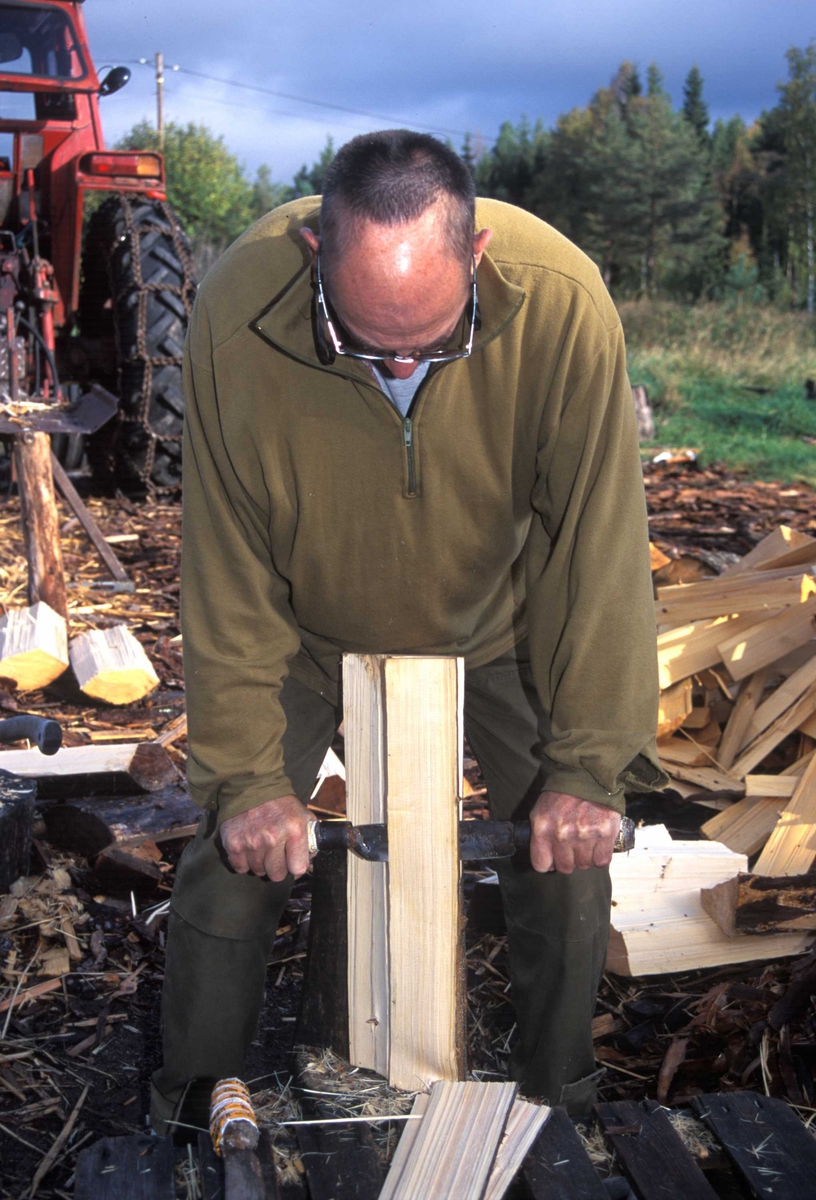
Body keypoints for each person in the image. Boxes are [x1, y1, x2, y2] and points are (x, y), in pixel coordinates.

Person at [150, 129, 665, 1135]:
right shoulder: (235, 308)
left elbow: (595, 546)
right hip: (303, 623)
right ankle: (189, 1109)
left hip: (499, 618)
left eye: (431, 340)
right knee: (228, 860)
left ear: (474, 259)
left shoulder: (561, 302)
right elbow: (227, 558)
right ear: (315, 257)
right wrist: (250, 783)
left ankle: (560, 1106)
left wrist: (590, 766)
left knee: (565, 857)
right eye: (362, 334)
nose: (396, 361)